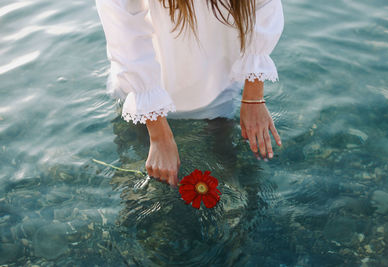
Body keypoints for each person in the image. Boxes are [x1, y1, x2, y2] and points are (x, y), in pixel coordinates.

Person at [95, 0, 284, 186]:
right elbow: (125, 32)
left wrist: (253, 98)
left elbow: (264, 6)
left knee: (227, 178)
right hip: (144, 91)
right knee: (143, 184)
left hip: (216, 84)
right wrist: (159, 135)